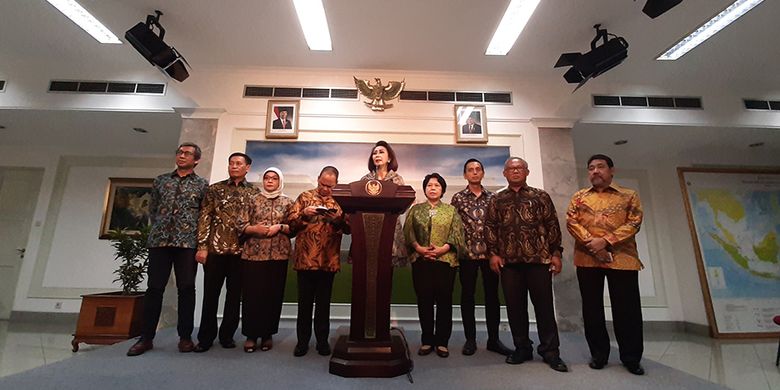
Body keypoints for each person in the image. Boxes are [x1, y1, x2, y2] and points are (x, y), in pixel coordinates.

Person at [485, 157, 568, 372]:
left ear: (527, 172)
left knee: (544, 308)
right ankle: (522, 348)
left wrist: (556, 254)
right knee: (515, 309)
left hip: (539, 261)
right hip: (509, 263)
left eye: (519, 168)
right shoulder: (497, 199)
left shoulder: (540, 196)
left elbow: (552, 225)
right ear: (505, 173)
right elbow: (490, 227)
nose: (515, 171)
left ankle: (550, 351)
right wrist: (493, 254)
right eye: (511, 168)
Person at [566, 154, 645, 375]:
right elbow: (571, 221)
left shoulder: (629, 195)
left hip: (623, 258)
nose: (595, 171)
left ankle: (631, 358)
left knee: (627, 310)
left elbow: (634, 223)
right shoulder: (580, 197)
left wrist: (606, 242)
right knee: (592, 309)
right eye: (591, 168)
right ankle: (598, 354)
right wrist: (594, 246)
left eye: (600, 167)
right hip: (587, 258)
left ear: (611, 170)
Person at [127, 142, 208, 356]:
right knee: (154, 289)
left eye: (187, 154)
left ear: (196, 160)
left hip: (187, 244)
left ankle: (185, 337)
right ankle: (146, 338)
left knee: (187, 289)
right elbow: (152, 210)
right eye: (179, 152)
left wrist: (201, 244)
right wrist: (161, 229)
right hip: (160, 243)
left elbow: (204, 216)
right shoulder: (161, 181)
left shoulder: (201, 185)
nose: (182, 156)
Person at [192, 152, 258, 353]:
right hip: (215, 251)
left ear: (247, 168)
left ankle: (227, 336)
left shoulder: (254, 193)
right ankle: (205, 338)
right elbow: (205, 218)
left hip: (240, 252)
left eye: (238, 163)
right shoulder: (215, 189)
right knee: (210, 296)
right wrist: (202, 246)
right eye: (231, 163)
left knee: (234, 297)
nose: (234, 166)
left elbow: (254, 223)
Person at [450, 158, 512, 357]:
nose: (474, 172)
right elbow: (454, 227)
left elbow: (500, 226)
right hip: (467, 255)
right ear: (465, 175)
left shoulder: (493, 198)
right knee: (467, 296)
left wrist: (499, 252)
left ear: (483, 173)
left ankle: (494, 339)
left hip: (490, 255)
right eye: (470, 170)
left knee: (492, 297)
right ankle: (470, 340)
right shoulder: (458, 198)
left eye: (478, 169)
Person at [287, 166, 349, 357]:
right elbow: (290, 224)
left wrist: (338, 219)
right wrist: (304, 214)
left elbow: (349, 228)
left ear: (336, 184)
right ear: (318, 179)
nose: (325, 189)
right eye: (323, 184)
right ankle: (302, 342)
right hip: (305, 259)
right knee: (304, 305)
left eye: (330, 186)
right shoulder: (304, 197)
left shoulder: (341, 201)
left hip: (328, 260)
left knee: (323, 305)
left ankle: (322, 342)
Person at [403, 173, 465, 358]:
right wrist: (419, 249)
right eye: (429, 185)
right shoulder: (415, 210)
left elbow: (457, 234)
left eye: (437, 185)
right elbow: (408, 232)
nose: (432, 188)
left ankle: (442, 342)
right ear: (424, 189)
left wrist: (442, 249)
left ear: (443, 190)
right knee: (424, 301)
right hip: (422, 262)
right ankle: (427, 340)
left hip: (445, 262)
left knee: (444, 301)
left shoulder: (451, 211)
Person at [238, 167, 293, 353]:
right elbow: (240, 224)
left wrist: (281, 226)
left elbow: (295, 227)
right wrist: (254, 229)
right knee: (253, 295)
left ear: (280, 181)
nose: (269, 181)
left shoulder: (288, 202)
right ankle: (251, 335)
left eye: (274, 178)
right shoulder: (252, 200)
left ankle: (268, 334)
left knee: (273, 295)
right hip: (254, 254)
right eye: (267, 178)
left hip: (278, 255)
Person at [361, 140, 408, 265]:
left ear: (389, 158)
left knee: (386, 273)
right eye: (374, 153)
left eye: (381, 152)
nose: (377, 155)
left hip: (390, 228)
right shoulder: (365, 180)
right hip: (370, 227)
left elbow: (402, 205)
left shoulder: (396, 179)